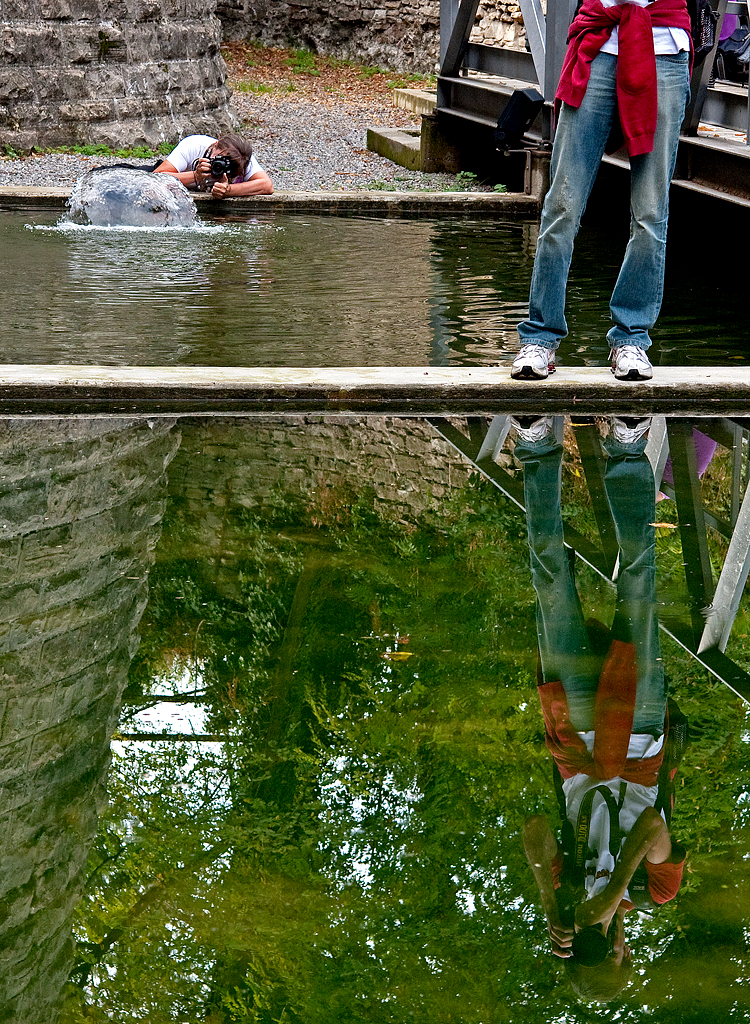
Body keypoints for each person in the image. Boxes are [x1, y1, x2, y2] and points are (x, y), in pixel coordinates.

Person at [514, 415, 686, 1000]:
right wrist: (615, 895)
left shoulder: (559, 897)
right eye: (607, 955)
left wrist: (550, 899)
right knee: (639, 579)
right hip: (637, 728)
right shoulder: (652, 893)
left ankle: (536, 446)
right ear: (622, 952)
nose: (598, 943)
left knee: (547, 573)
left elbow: (535, 829)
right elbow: (655, 827)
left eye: (583, 954)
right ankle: (626, 448)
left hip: (575, 736)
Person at [511, 0, 693, 382]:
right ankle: (540, 337)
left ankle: (632, 339)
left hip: (664, 47)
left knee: (649, 213)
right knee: (562, 205)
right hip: (599, 44)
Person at [154, 134, 273, 198]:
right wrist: (195, 176)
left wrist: (228, 190)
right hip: (177, 172)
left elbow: (266, 185)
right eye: (219, 160)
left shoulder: (242, 158)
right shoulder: (194, 145)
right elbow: (155, 178)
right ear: (215, 145)